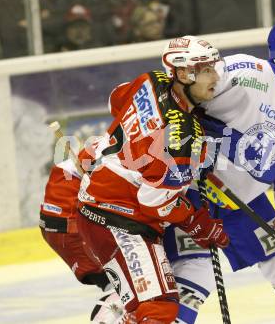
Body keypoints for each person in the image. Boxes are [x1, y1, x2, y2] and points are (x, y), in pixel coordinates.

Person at [163, 19, 275, 324]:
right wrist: (208, 141)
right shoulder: (242, 70)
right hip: (192, 197)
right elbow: (185, 97)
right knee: (191, 280)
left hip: (245, 203)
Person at [76, 36, 230, 324]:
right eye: (207, 70)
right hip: (117, 219)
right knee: (158, 307)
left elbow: (116, 101)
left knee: (144, 308)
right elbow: (155, 203)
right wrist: (197, 222)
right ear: (183, 74)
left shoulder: (150, 79)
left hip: (96, 208)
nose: (216, 76)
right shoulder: (183, 136)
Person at [40, 147, 125, 323]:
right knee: (123, 289)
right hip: (71, 224)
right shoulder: (127, 148)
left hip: (61, 220)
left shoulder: (120, 139)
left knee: (122, 284)